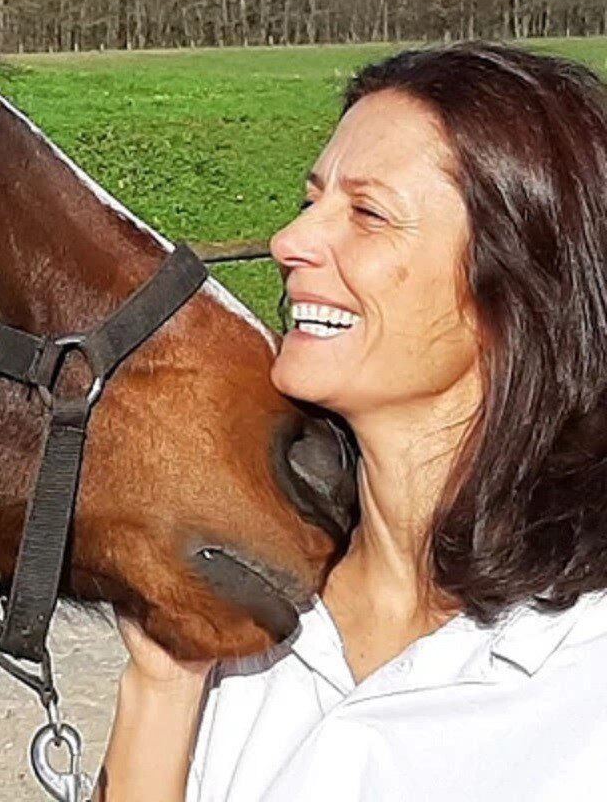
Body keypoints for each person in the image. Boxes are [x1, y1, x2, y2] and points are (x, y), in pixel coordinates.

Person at [95, 42, 607, 801]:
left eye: (367, 213)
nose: (289, 242)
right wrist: (163, 682)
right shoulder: (257, 608)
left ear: (519, 288)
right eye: (312, 202)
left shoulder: (578, 669)